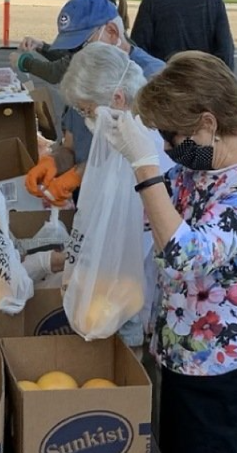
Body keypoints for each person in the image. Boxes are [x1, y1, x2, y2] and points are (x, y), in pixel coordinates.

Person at [101, 50, 237, 453]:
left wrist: (144, 166)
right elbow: (158, 217)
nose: (168, 147)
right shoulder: (201, 165)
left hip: (232, 374)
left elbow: (186, 255)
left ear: (208, 123)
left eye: (172, 135)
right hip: (188, 360)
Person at [59, 43, 171, 348]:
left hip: (146, 291)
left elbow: (141, 236)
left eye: (87, 111)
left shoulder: (147, 146)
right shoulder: (124, 136)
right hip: (129, 289)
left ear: (117, 99)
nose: (86, 120)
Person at [22, 0, 165, 207]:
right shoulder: (83, 77)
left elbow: (146, 161)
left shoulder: (156, 81)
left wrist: (79, 174)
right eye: (70, 50)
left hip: (135, 207)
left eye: (81, 46)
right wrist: (53, 161)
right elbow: (71, 147)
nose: (75, 57)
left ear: (112, 32)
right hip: (90, 202)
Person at [131, 0, 236, 70]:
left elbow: (137, 50)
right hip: (203, 83)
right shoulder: (214, 3)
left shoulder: (151, 3)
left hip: (165, 83)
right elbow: (225, 52)